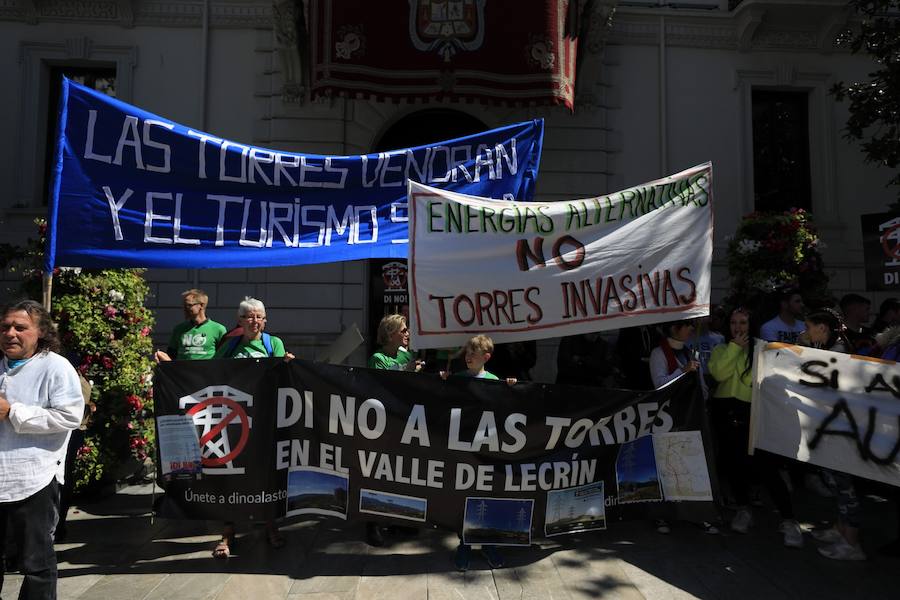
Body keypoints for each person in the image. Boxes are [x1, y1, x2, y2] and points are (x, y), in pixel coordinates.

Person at [0, 300, 85, 599]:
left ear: (40, 333)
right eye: (5, 327)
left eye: (20, 328)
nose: (10, 333)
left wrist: (13, 412)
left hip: (34, 478)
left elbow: (70, 416)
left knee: (36, 562)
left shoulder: (55, 366)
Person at [708, 307, 802, 547]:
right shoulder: (721, 349)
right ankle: (743, 509)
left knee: (767, 468)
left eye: (743, 323)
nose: (737, 328)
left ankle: (789, 519)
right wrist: (734, 348)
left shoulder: (763, 350)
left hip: (754, 414)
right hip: (726, 413)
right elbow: (719, 374)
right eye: (733, 322)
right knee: (734, 465)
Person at [209, 297, 294, 558]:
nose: (255, 321)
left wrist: (290, 364)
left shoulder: (273, 343)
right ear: (240, 321)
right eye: (249, 317)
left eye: (259, 317)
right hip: (234, 421)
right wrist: (170, 366)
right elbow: (207, 371)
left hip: (266, 420)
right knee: (230, 476)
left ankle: (270, 526)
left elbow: (283, 375)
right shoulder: (230, 345)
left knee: (265, 475)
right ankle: (228, 532)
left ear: (265, 321)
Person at [442, 335, 514, 571]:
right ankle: (464, 543)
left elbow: (507, 408)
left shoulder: (494, 381)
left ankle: (487, 543)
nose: (468, 356)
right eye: (466, 352)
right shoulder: (458, 379)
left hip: (486, 452)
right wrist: (442, 382)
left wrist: (512, 389)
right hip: (463, 450)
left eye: (473, 353)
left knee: (486, 496)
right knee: (465, 495)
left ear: (486, 357)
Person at [802, 309, 865, 560]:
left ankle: (852, 543)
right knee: (837, 484)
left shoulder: (835, 353)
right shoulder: (830, 348)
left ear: (822, 329)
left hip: (840, 432)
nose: (805, 332)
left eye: (809, 327)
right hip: (832, 429)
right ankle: (841, 529)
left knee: (845, 487)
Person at [647, 320, 717, 535]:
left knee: (691, 467)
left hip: (690, 419)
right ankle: (661, 515)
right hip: (667, 420)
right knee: (667, 467)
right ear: (675, 328)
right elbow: (660, 384)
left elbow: (702, 386)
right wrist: (683, 372)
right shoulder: (658, 354)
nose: (692, 331)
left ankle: (697, 513)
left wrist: (701, 395)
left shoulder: (690, 353)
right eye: (687, 327)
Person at [365, 314, 423, 547]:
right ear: (390, 334)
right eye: (403, 330)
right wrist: (406, 372)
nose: (408, 334)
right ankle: (373, 523)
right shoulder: (377, 358)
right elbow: (380, 386)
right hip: (383, 424)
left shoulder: (407, 355)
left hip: (405, 422)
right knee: (379, 473)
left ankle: (398, 518)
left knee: (400, 471)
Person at [154, 289, 226, 362]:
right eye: (184, 305)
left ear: (201, 305)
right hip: (182, 372)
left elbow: (224, 357)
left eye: (189, 305)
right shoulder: (179, 329)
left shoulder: (218, 329)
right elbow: (171, 356)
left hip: (206, 372)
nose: (185, 308)